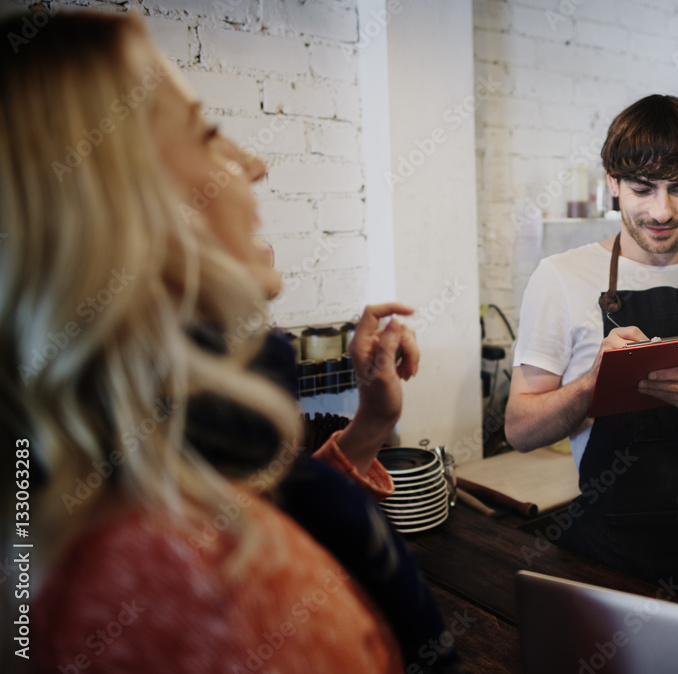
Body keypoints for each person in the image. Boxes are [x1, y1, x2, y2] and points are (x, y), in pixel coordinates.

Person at [0, 11, 461, 673]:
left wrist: (371, 424)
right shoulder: (205, 579)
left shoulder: (119, 458)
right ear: (111, 205)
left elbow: (264, 499)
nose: (252, 165)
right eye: (208, 134)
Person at [505, 94, 678, 618]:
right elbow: (520, 429)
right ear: (612, 182)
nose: (661, 211)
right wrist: (592, 384)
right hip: (611, 557)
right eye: (642, 188)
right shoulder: (561, 278)